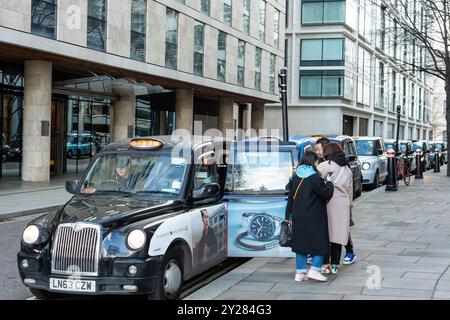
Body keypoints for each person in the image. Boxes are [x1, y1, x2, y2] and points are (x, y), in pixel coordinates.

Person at [285, 151, 334, 282]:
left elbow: (290, 198)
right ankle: (315, 270)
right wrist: (329, 183)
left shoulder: (295, 177)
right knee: (321, 242)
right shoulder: (314, 178)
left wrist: (287, 215)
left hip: (298, 216)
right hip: (314, 217)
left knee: (300, 244)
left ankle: (300, 273)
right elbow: (326, 194)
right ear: (313, 162)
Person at [318, 143, 353, 274]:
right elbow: (350, 189)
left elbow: (316, 181)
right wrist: (349, 204)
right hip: (343, 203)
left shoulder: (325, 165)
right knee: (338, 235)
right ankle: (334, 265)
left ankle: (325, 265)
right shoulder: (347, 168)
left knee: (326, 234)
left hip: (329, 202)